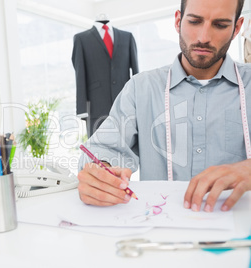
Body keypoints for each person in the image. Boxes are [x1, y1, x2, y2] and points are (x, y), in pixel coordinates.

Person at [77, 0, 251, 213]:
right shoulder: (140, 89)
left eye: (220, 25)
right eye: (194, 21)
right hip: (161, 232)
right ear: (178, 21)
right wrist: (100, 173)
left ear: (237, 27)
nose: (203, 38)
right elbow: (101, 150)